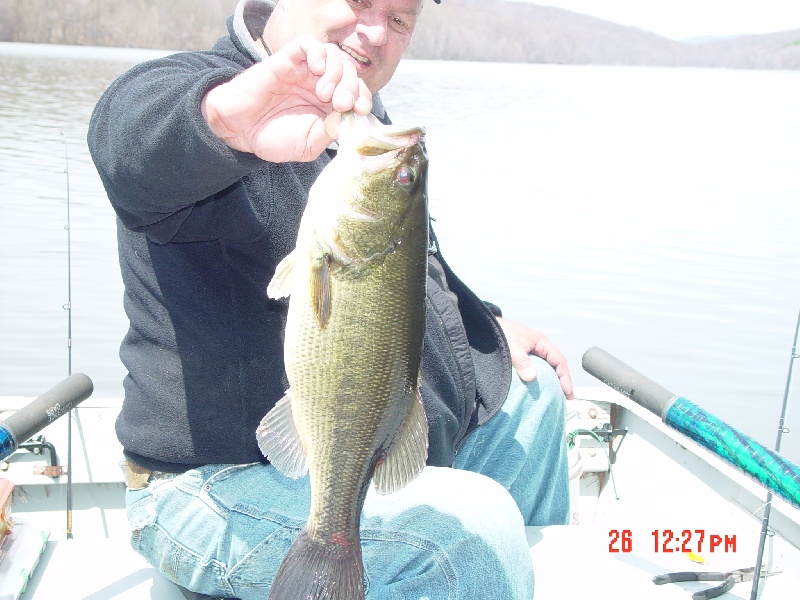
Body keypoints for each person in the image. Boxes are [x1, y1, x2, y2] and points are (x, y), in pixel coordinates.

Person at [87, 0, 574, 598]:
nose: (375, 32)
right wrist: (227, 120)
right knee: (474, 533)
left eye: (400, 19)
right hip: (209, 483)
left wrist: (487, 328)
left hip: (354, 450)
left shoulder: (362, 133)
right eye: (361, 1)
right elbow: (123, 141)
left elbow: (404, 277)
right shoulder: (193, 94)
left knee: (533, 397)